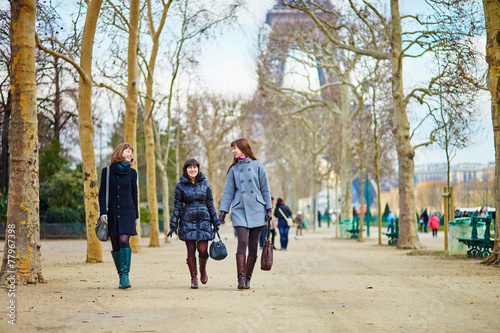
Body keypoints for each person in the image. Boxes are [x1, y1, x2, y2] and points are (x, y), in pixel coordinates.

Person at [218, 138, 272, 290]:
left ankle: (248, 278)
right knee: (242, 241)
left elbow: (265, 189)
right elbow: (228, 192)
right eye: (232, 148)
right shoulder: (233, 170)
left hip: (257, 209)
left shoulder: (257, 166)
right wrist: (223, 211)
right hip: (239, 209)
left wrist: (269, 209)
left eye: (234, 148)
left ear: (243, 148)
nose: (232, 151)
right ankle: (240, 279)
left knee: (254, 246)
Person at [168, 159, 219, 289]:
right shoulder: (180, 186)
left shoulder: (206, 184)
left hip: (204, 220)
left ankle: (203, 269)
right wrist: (174, 222)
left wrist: (216, 221)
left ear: (198, 169)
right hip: (187, 221)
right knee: (190, 251)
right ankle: (194, 278)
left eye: (195, 167)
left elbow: (210, 203)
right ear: (185, 170)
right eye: (189, 167)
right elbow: (177, 206)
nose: (192, 170)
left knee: (202, 250)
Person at [99, 143, 138, 289]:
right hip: (112, 213)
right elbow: (102, 193)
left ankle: (125, 275)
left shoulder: (132, 173)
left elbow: (135, 194)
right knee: (115, 242)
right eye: (128, 152)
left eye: (131, 153)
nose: (130, 155)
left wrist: (136, 215)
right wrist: (103, 212)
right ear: (120, 153)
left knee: (123, 239)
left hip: (128, 212)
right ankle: (121, 275)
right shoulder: (107, 171)